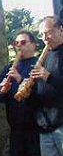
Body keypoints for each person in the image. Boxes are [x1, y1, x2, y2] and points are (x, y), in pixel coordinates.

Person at [0, 30, 40, 156]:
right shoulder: (9, 67)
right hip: (15, 127)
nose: (19, 46)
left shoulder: (39, 64)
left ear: (33, 45)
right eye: (16, 43)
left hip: (36, 127)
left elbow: (40, 92)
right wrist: (2, 90)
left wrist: (19, 79)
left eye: (23, 42)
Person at [25, 16, 63, 156]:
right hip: (46, 126)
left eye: (48, 32)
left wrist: (48, 77)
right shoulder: (45, 56)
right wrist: (28, 90)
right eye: (41, 34)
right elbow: (41, 89)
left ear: (61, 30)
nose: (45, 38)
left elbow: (52, 81)